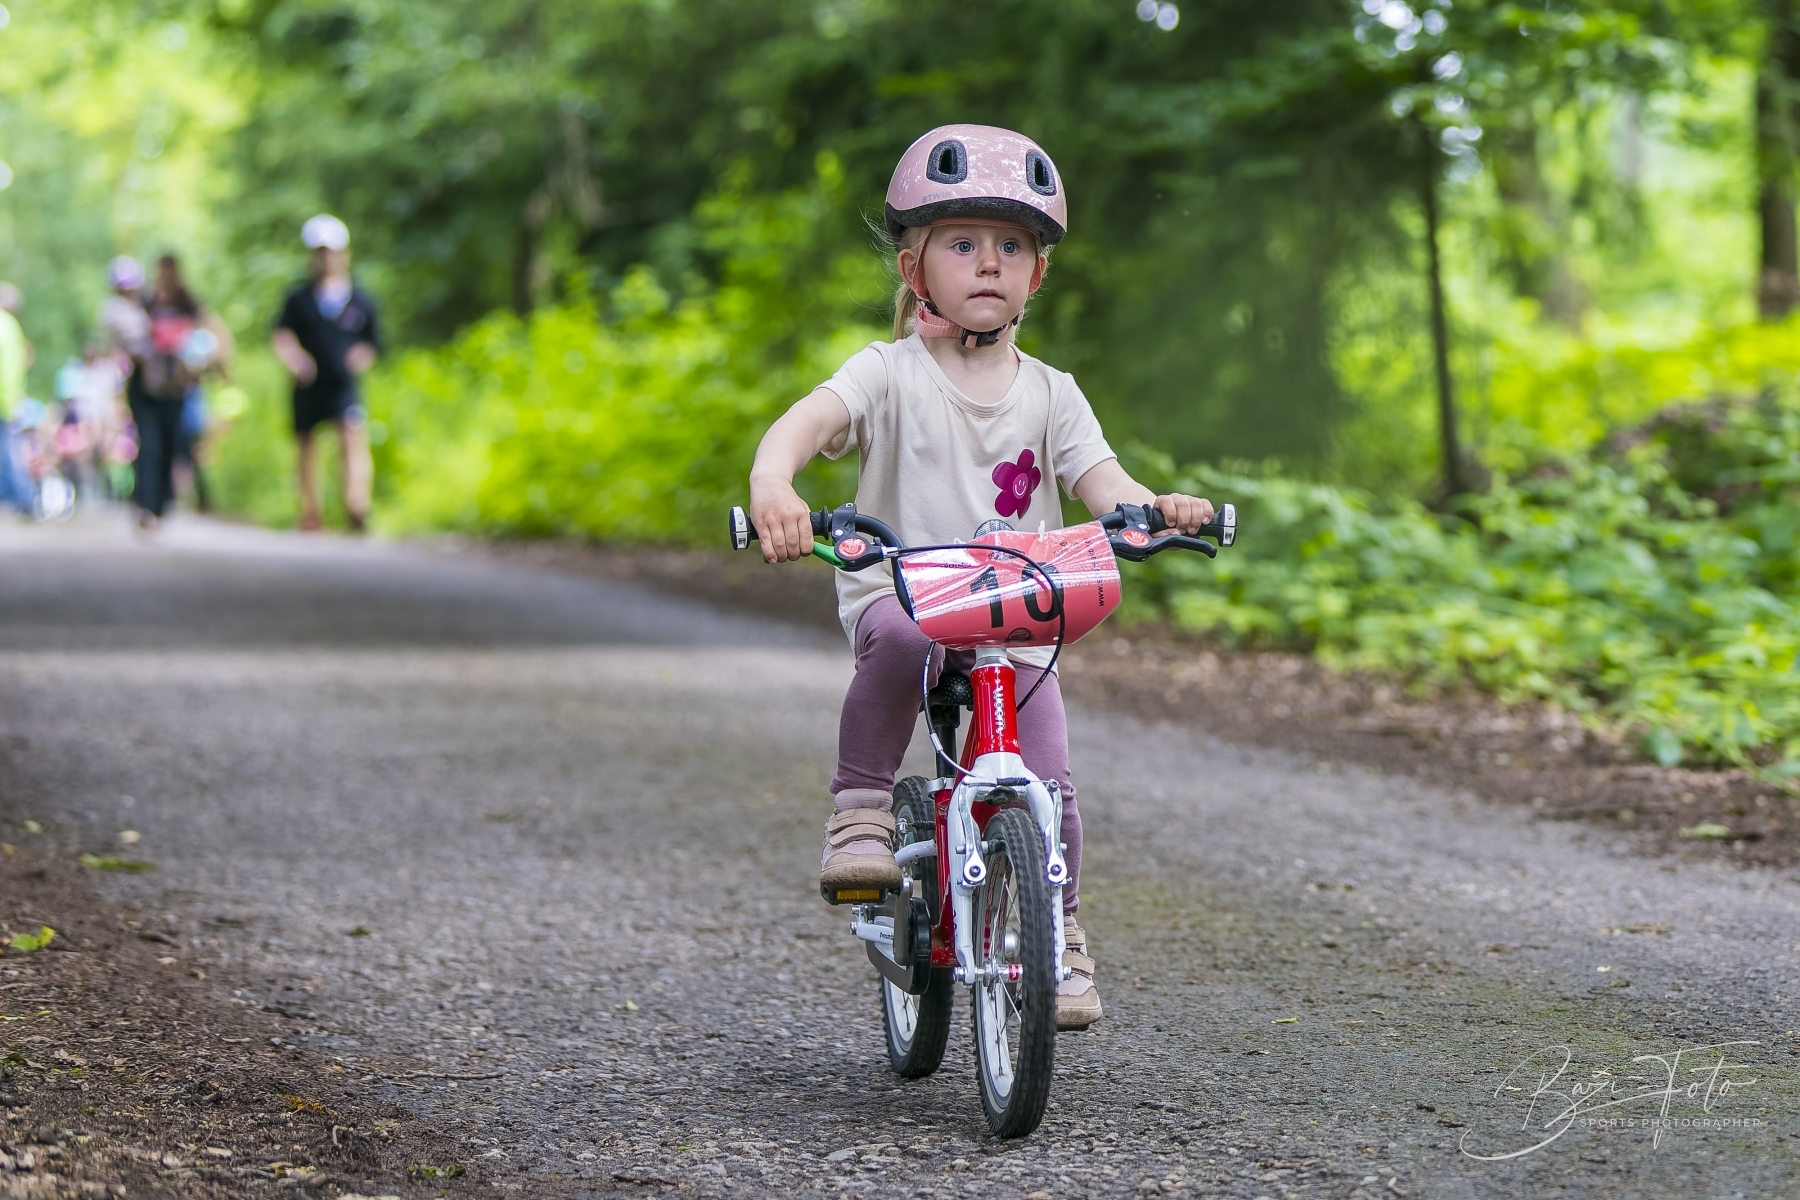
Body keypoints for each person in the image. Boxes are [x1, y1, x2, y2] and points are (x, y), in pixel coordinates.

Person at [747, 126, 1216, 1031]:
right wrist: (775, 485)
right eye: (963, 243)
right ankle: (861, 810)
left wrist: (1153, 507)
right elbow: (803, 425)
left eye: (1012, 246)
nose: (990, 262)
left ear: (1037, 275)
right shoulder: (886, 373)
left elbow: (1104, 484)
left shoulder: (1051, 392)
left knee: (1052, 783)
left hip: (1013, 611)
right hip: (905, 592)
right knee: (902, 639)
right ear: (916, 268)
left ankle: (1059, 928)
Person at [272, 214, 380, 532]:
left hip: (342, 384)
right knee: (307, 445)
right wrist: (295, 359)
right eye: (319, 252)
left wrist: (360, 358)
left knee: (352, 437)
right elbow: (282, 335)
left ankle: (357, 506)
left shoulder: (360, 300)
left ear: (344, 253)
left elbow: (372, 343)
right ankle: (310, 512)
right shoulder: (298, 299)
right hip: (307, 384)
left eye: (331, 252)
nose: (326, 258)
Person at [122, 255, 229, 530]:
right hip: (145, 385)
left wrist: (215, 363)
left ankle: (160, 505)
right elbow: (128, 335)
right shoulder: (145, 302)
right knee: (149, 444)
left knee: (170, 444)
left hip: (176, 386)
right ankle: (146, 504)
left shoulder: (188, 302)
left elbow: (213, 331)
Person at [0, 282, 35, 513]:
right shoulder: (11, 326)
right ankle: (21, 499)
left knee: (9, 452)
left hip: (5, 400)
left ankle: (22, 499)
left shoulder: (4, 325)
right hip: (10, 399)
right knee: (11, 451)